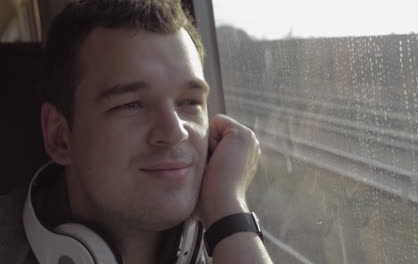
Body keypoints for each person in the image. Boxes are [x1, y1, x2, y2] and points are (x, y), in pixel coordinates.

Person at [0, 0, 273, 263]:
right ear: (60, 137)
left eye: (190, 102)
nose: (175, 132)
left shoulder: (230, 241)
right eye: (130, 104)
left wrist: (229, 211)